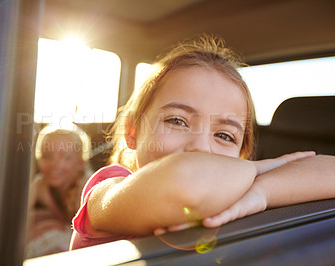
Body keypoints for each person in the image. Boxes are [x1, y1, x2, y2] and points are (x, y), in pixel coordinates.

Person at [69, 34, 335, 250]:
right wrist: (258, 169)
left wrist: (262, 193)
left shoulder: (240, 195)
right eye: (177, 121)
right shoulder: (108, 191)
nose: (200, 147)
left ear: (240, 156)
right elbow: (184, 181)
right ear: (133, 131)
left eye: (223, 136)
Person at [26, 125, 92, 258]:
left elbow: (89, 235)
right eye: (47, 156)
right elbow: (22, 219)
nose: (54, 165)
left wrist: (58, 225)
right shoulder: (40, 184)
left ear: (81, 163)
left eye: (65, 158)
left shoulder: (86, 188)